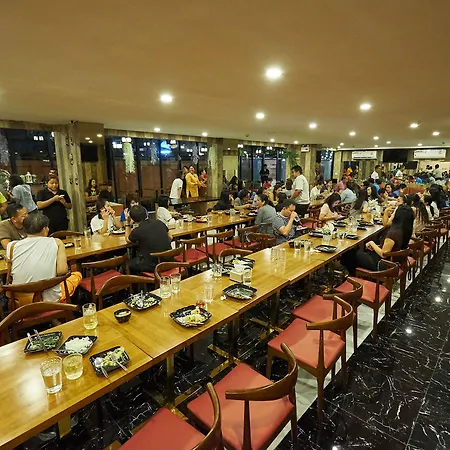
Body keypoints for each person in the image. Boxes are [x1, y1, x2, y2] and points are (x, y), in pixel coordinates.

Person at [6, 213, 82, 305]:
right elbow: (62, 271)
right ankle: (74, 308)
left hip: (21, 303)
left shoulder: (11, 246)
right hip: (52, 300)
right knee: (77, 275)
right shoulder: (56, 242)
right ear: (44, 229)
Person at [341, 205, 414, 275]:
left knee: (350, 254)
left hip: (384, 265)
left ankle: (353, 276)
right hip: (394, 262)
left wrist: (372, 243)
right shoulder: (404, 229)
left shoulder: (393, 233)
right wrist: (376, 246)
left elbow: (383, 254)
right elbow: (391, 249)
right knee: (358, 251)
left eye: (394, 212)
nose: (392, 214)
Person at [125, 205, 172, 274]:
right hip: (170, 261)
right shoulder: (159, 222)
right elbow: (170, 237)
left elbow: (127, 239)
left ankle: (139, 280)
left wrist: (127, 223)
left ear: (133, 219)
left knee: (127, 264)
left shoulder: (138, 230)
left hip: (154, 266)